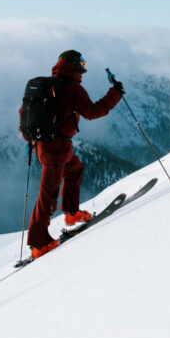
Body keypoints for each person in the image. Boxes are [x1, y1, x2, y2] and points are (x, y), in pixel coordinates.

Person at [25, 50, 124, 259]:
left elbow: (25, 115)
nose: (83, 67)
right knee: (47, 194)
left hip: (46, 146)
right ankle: (38, 244)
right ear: (74, 65)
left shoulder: (47, 85)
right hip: (56, 148)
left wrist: (32, 140)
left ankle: (71, 213)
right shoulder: (72, 89)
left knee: (74, 168)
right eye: (82, 63)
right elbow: (92, 111)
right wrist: (114, 94)